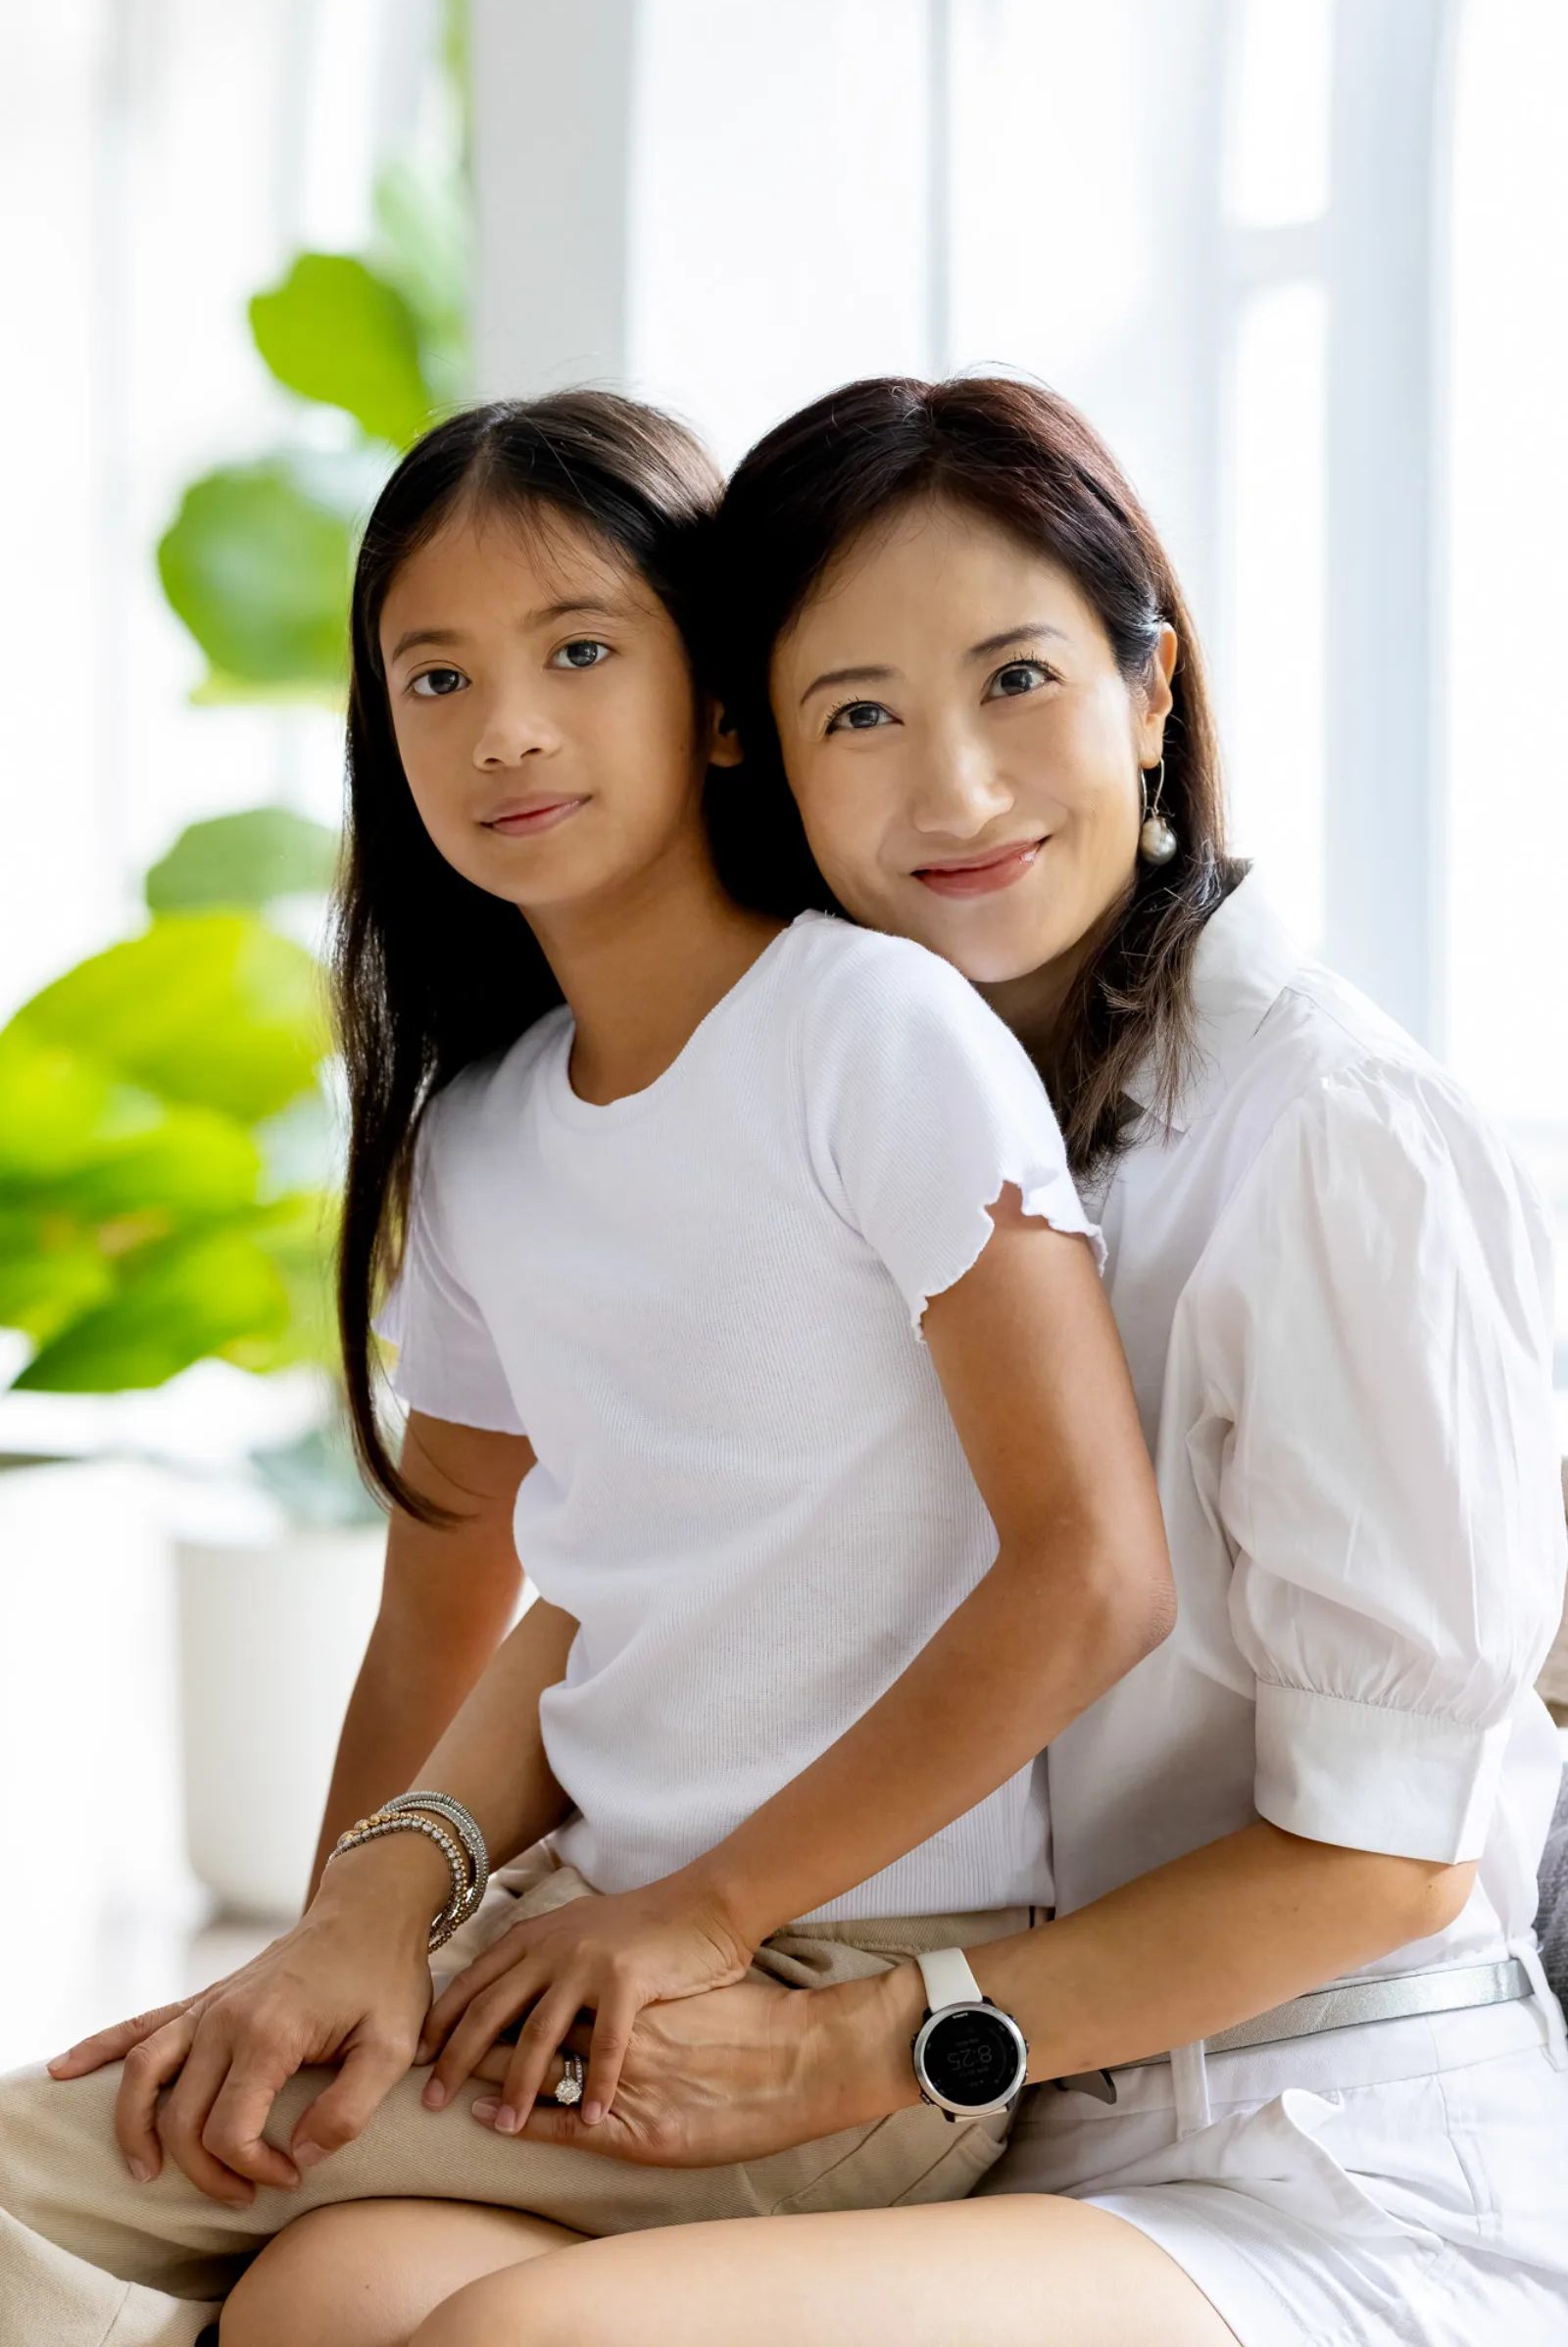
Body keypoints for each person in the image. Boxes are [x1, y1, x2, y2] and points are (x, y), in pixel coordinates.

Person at [218, 377, 1568, 2347]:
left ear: (1152, 689)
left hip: (1312, 2146)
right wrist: (368, 1906)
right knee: (327, 2286)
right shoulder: (898, 1092)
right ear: (758, 752)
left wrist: (865, 2041)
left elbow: (1378, 1863)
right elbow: (623, 1576)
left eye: (1017, 680)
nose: (950, 787)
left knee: (526, 2337)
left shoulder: (1329, 1131)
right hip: (1015, 2127)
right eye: (855, 710)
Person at [0, 387, 1177, 2346]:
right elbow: (439, 1607)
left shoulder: (865, 1030)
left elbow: (1095, 1569)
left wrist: (698, 1912)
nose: (503, 729)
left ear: (717, 700)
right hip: (563, 1936)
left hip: (817, 1991)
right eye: (431, 676)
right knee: (311, 2286)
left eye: (576, 651)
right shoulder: (485, 1130)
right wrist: (332, 1944)